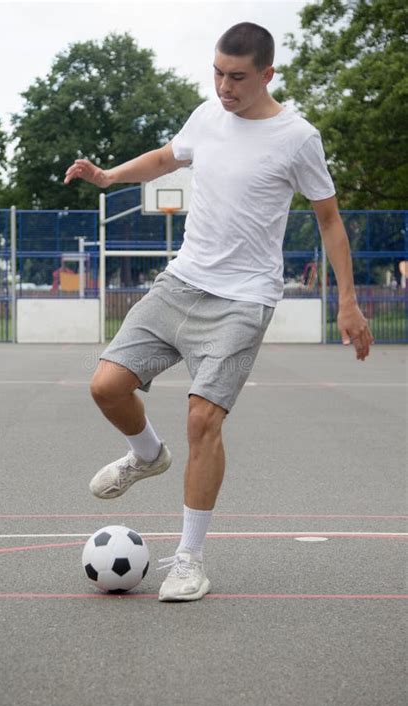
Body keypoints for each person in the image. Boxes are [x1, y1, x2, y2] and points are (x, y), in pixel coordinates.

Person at [64, 22, 374, 602]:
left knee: (203, 419)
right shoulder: (207, 116)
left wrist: (349, 303)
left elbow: (330, 220)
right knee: (106, 385)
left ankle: (188, 559)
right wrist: (108, 177)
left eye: (236, 77)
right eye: (217, 73)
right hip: (181, 282)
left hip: (244, 297)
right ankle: (146, 455)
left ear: (266, 75)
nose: (224, 87)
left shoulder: (297, 137)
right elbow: (164, 157)